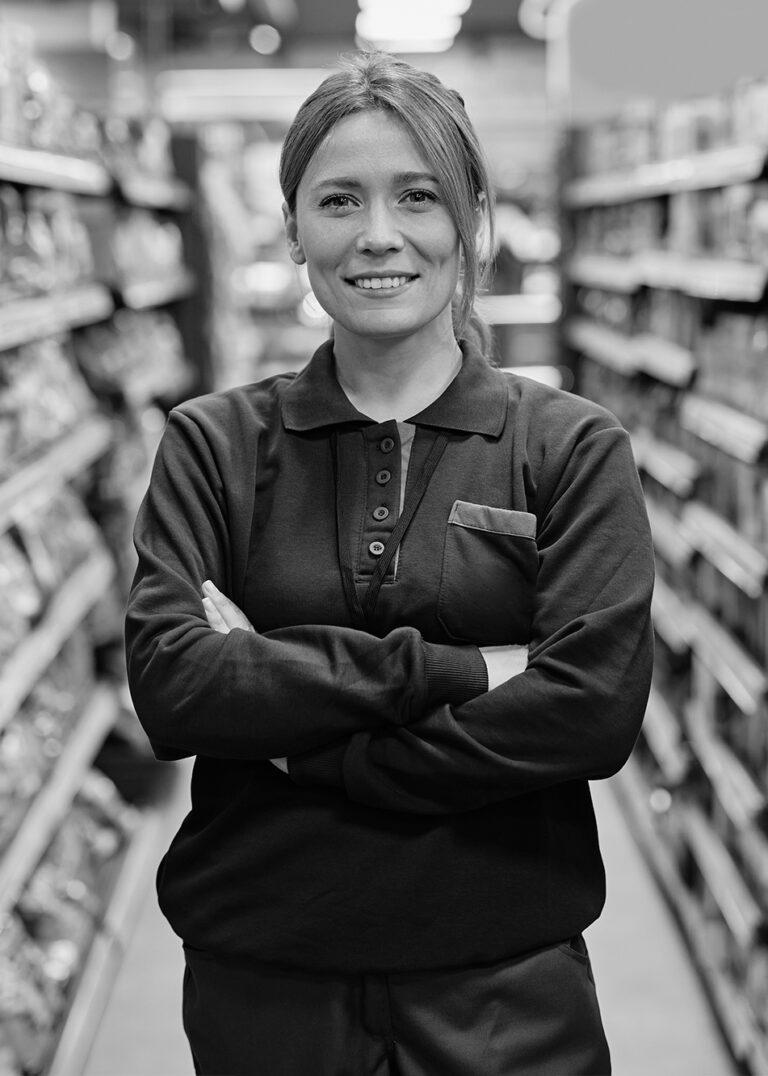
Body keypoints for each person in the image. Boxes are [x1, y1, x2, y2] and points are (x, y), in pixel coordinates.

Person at [125, 50, 654, 1076]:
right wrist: (474, 669)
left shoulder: (570, 447)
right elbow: (175, 689)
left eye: (418, 196)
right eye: (339, 200)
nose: (378, 234)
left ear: (472, 219)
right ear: (293, 229)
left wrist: (296, 734)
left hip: (506, 986)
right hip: (263, 980)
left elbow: (591, 710)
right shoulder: (213, 444)